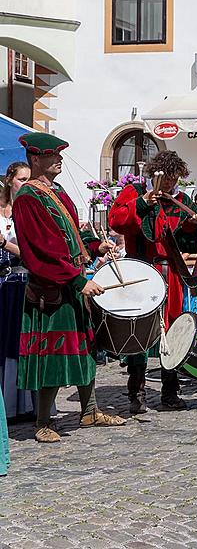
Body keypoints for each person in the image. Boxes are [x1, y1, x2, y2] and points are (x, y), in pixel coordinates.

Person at [13, 132, 126, 442]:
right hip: (51, 290)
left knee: (85, 348)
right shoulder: (27, 198)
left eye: (60, 154)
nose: (59, 159)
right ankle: (42, 422)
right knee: (52, 355)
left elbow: (71, 235)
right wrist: (78, 281)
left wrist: (94, 246)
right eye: (53, 155)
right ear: (36, 159)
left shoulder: (58, 192)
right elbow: (42, 250)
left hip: (71, 286)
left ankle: (89, 411)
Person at [109, 151, 197, 413]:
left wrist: (193, 226)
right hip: (141, 271)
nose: (169, 184)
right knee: (139, 330)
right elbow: (116, 221)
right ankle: (137, 392)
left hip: (170, 274)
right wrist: (142, 202)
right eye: (165, 178)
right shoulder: (134, 192)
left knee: (173, 330)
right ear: (155, 174)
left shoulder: (182, 201)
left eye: (174, 179)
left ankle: (170, 391)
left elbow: (185, 243)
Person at [1, 162, 36, 420]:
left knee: (19, 341)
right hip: (2, 284)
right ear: (9, 180)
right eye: (21, 179)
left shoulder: (28, 211)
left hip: (22, 282)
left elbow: (30, 253)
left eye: (29, 179)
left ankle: (23, 404)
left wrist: (3, 243)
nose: (26, 184)